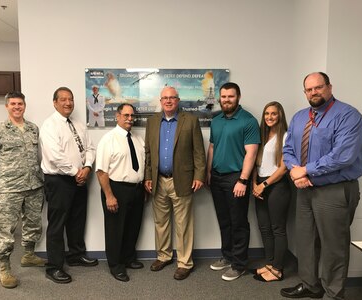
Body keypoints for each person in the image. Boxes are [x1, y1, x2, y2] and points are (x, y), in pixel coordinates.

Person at [281, 72, 362, 299]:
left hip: (335, 190)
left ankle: (333, 294)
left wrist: (307, 170)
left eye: (318, 87)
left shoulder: (349, 116)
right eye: (309, 89)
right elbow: (288, 149)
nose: (314, 92)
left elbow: (343, 156)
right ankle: (311, 285)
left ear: (329, 87)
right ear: (305, 92)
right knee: (306, 240)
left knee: (334, 246)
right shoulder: (300, 117)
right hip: (304, 189)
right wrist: (295, 172)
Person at [0, 91, 46, 289]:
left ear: (24, 106)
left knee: (33, 223)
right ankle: (4, 267)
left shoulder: (33, 129)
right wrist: (0, 174)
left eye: (20, 104)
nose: (17, 107)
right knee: (5, 229)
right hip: (9, 188)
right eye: (13, 104)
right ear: (7, 106)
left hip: (34, 185)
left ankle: (29, 255)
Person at [144, 86, 206, 280]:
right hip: (158, 180)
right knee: (160, 222)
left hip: (183, 180)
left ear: (178, 100)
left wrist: (199, 176)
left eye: (172, 98)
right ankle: (163, 256)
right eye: (165, 98)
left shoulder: (191, 121)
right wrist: (148, 176)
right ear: (160, 101)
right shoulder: (152, 122)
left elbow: (199, 152)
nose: (168, 101)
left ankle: (185, 262)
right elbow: (148, 153)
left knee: (183, 223)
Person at [40, 87, 98, 284]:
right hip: (59, 181)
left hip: (80, 178)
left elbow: (89, 148)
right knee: (57, 225)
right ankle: (54, 267)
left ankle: (75, 255)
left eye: (70, 99)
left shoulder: (78, 124)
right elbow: (55, 156)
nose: (68, 103)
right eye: (63, 99)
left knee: (77, 219)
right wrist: (76, 172)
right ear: (55, 102)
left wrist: (88, 167)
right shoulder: (49, 125)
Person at [207, 82, 260, 281]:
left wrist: (243, 180)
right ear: (219, 98)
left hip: (236, 178)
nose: (226, 100)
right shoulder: (216, 120)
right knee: (224, 220)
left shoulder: (248, 121)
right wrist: (208, 171)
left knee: (238, 222)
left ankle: (239, 264)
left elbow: (251, 153)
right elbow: (212, 147)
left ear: (238, 97)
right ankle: (228, 256)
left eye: (231, 96)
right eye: (224, 96)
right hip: (217, 177)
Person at [96, 103, 145, 282]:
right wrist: (109, 195)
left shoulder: (138, 139)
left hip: (136, 190)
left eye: (132, 116)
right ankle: (116, 265)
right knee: (115, 229)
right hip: (116, 189)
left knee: (133, 226)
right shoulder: (108, 139)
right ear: (117, 116)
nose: (130, 119)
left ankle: (128, 258)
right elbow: (101, 171)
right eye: (126, 115)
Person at [251, 101, 291, 282]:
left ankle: (277, 269)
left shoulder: (285, 137)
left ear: (280, 115)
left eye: (273, 113)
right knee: (264, 228)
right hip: (259, 184)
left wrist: (264, 185)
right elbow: (255, 162)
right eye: (267, 113)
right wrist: (254, 184)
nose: (269, 117)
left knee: (277, 229)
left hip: (277, 186)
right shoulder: (262, 135)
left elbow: (283, 168)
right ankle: (269, 264)